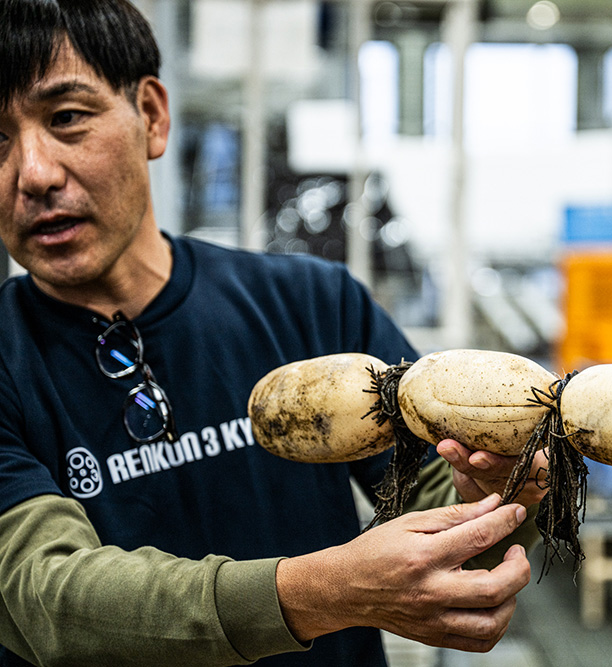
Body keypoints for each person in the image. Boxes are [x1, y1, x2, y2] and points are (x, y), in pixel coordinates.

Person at [0, 1, 547, 665]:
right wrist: (324, 591)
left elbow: (438, 511)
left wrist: (496, 493)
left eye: (66, 120)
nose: (33, 173)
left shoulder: (314, 306)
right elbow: (43, 595)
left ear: (151, 115)